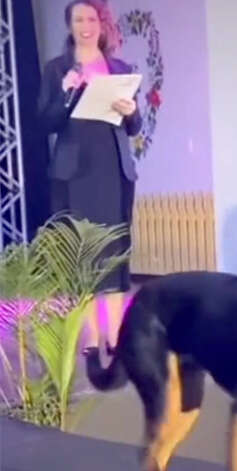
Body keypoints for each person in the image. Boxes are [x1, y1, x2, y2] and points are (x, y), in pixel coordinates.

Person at [38, 0, 141, 353]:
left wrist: (131, 112)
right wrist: (67, 93)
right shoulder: (56, 70)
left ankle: (114, 337)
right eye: (78, 19)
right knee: (81, 258)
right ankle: (91, 338)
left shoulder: (120, 68)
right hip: (74, 175)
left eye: (91, 18)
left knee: (113, 253)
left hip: (112, 171)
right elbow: (45, 123)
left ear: (101, 23)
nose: (86, 25)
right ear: (70, 25)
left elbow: (134, 127)